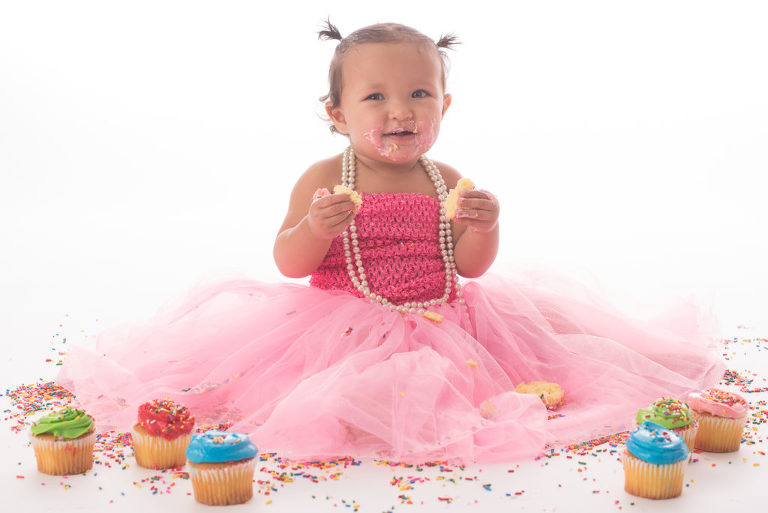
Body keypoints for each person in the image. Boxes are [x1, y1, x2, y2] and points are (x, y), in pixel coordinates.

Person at [57, 21, 724, 463]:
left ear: (445, 105)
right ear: (338, 114)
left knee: (501, 377)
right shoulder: (325, 177)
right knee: (341, 394)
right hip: (342, 324)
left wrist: (484, 227)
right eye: (375, 97)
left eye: (418, 93)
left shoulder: (447, 180)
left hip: (448, 319)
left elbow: (468, 268)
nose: (400, 110)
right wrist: (315, 228)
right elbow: (287, 262)